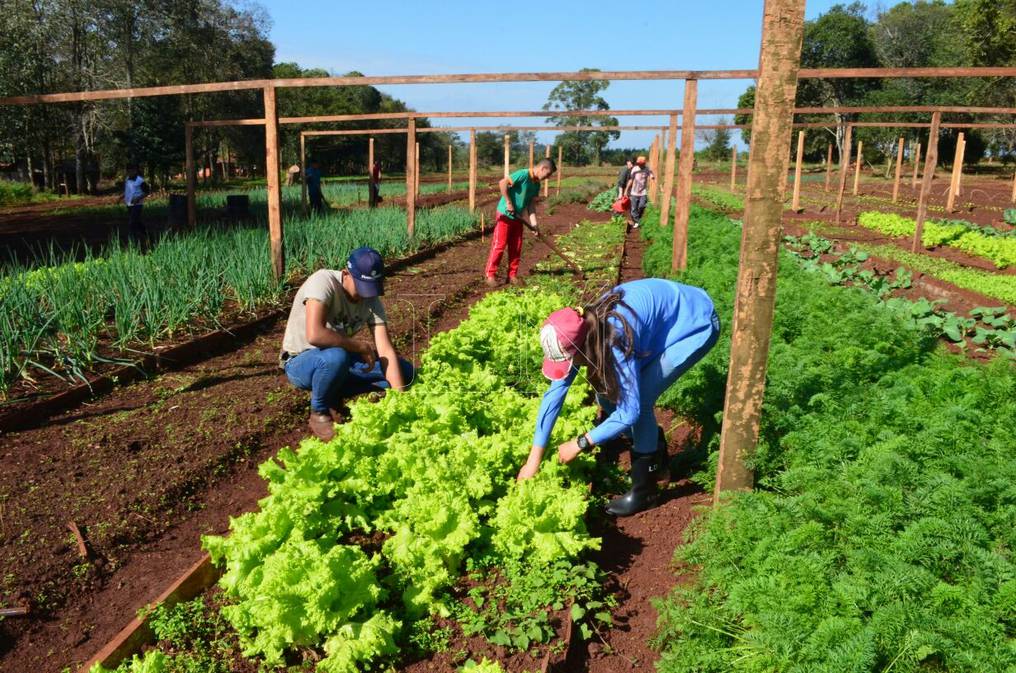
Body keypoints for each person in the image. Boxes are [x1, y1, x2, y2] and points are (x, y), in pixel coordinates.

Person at [517, 278, 721, 516]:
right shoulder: (580, 331)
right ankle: (655, 454)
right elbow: (555, 394)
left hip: (694, 324)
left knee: (641, 400)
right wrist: (534, 459)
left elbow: (631, 410)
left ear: (581, 348)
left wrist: (580, 443)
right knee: (607, 396)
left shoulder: (615, 339)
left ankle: (645, 491)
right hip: (669, 316)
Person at [279, 246, 414, 441]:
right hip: (302, 362)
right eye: (361, 287)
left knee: (404, 371)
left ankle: (334, 393)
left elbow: (385, 349)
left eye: (371, 289)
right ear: (346, 274)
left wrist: (401, 403)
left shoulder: (371, 298)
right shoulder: (323, 282)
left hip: (342, 364)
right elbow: (315, 335)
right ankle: (319, 412)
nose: (364, 295)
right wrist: (358, 346)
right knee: (336, 357)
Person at [484, 158, 556, 287]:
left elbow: (531, 206)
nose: (547, 178)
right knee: (499, 246)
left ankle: (512, 275)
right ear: (543, 169)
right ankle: (490, 275)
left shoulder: (536, 184)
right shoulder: (523, 174)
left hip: (518, 217)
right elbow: (502, 183)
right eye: (548, 174)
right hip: (505, 215)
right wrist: (508, 203)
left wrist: (534, 225)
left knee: (516, 247)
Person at [625, 156, 654, 229]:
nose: (640, 165)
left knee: (642, 206)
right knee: (633, 210)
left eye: (641, 164)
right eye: (639, 163)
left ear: (644, 163)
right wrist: (626, 190)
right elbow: (631, 180)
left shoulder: (647, 169)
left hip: (643, 192)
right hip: (634, 192)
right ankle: (638, 222)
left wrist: (653, 179)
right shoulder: (635, 169)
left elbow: (652, 177)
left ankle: (638, 221)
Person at [123, 164, 150, 243]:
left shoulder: (140, 181)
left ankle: (132, 241)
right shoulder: (127, 179)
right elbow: (128, 190)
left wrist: (138, 198)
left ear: (136, 171)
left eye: (132, 170)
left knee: (132, 223)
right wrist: (121, 197)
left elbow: (147, 192)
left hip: (137, 205)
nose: (130, 172)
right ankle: (146, 234)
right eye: (128, 171)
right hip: (129, 204)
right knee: (137, 221)